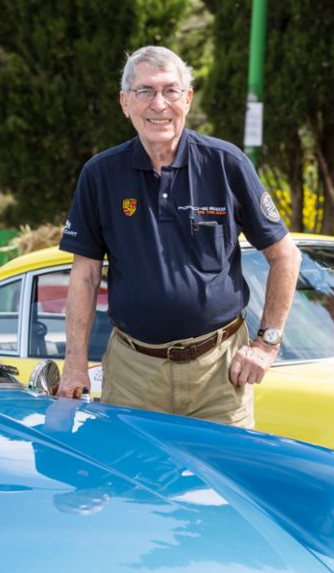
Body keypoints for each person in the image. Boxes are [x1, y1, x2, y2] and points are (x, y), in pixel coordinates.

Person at [58, 45, 301, 428]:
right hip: (133, 375)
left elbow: (286, 256)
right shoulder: (100, 175)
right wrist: (74, 365)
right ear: (125, 103)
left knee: (226, 486)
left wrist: (266, 344)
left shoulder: (227, 163)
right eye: (145, 91)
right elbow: (85, 276)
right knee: (133, 487)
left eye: (171, 91)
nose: (159, 104)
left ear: (187, 99)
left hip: (220, 376)